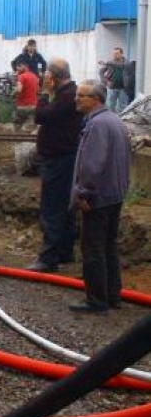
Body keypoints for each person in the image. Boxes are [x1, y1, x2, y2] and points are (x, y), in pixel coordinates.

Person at [69, 81, 131, 313]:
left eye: (81, 95)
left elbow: (92, 164)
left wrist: (84, 192)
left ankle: (97, 301)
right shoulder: (115, 120)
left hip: (98, 196)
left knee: (93, 248)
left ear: (95, 100)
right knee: (108, 246)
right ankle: (113, 295)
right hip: (115, 194)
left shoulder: (97, 125)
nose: (77, 99)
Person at [26, 59, 84, 272]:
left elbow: (41, 116)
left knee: (51, 208)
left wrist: (42, 93)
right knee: (66, 207)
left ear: (53, 77)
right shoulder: (70, 94)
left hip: (59, 159)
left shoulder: (66, 97)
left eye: (47, 75)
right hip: (67, 158)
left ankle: (48, 258)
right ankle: (65, 251)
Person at [98, 47, 130, 113]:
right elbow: (101, 72)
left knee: (123, 107)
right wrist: (105, 82)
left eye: (117, 53)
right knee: (110, 106)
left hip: (123, 88)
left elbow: (121, 66)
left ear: (122, 54)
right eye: (114, 54)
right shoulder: (110, 62)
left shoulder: (127, 63)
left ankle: (121, 122)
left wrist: (106, 63)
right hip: (112, 88)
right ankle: (111, 121)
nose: (115, 55)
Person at [13, 62, 39, 132]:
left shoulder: (22, 76)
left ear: (25, 66)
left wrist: (13, 94)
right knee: (30, 128)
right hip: (34, 107)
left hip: (22, 107)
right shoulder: (35, 76)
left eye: (19, 66)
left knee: (17, 128)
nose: (17, 68)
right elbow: (38, 91)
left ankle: (18, 138)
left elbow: (19, 90)